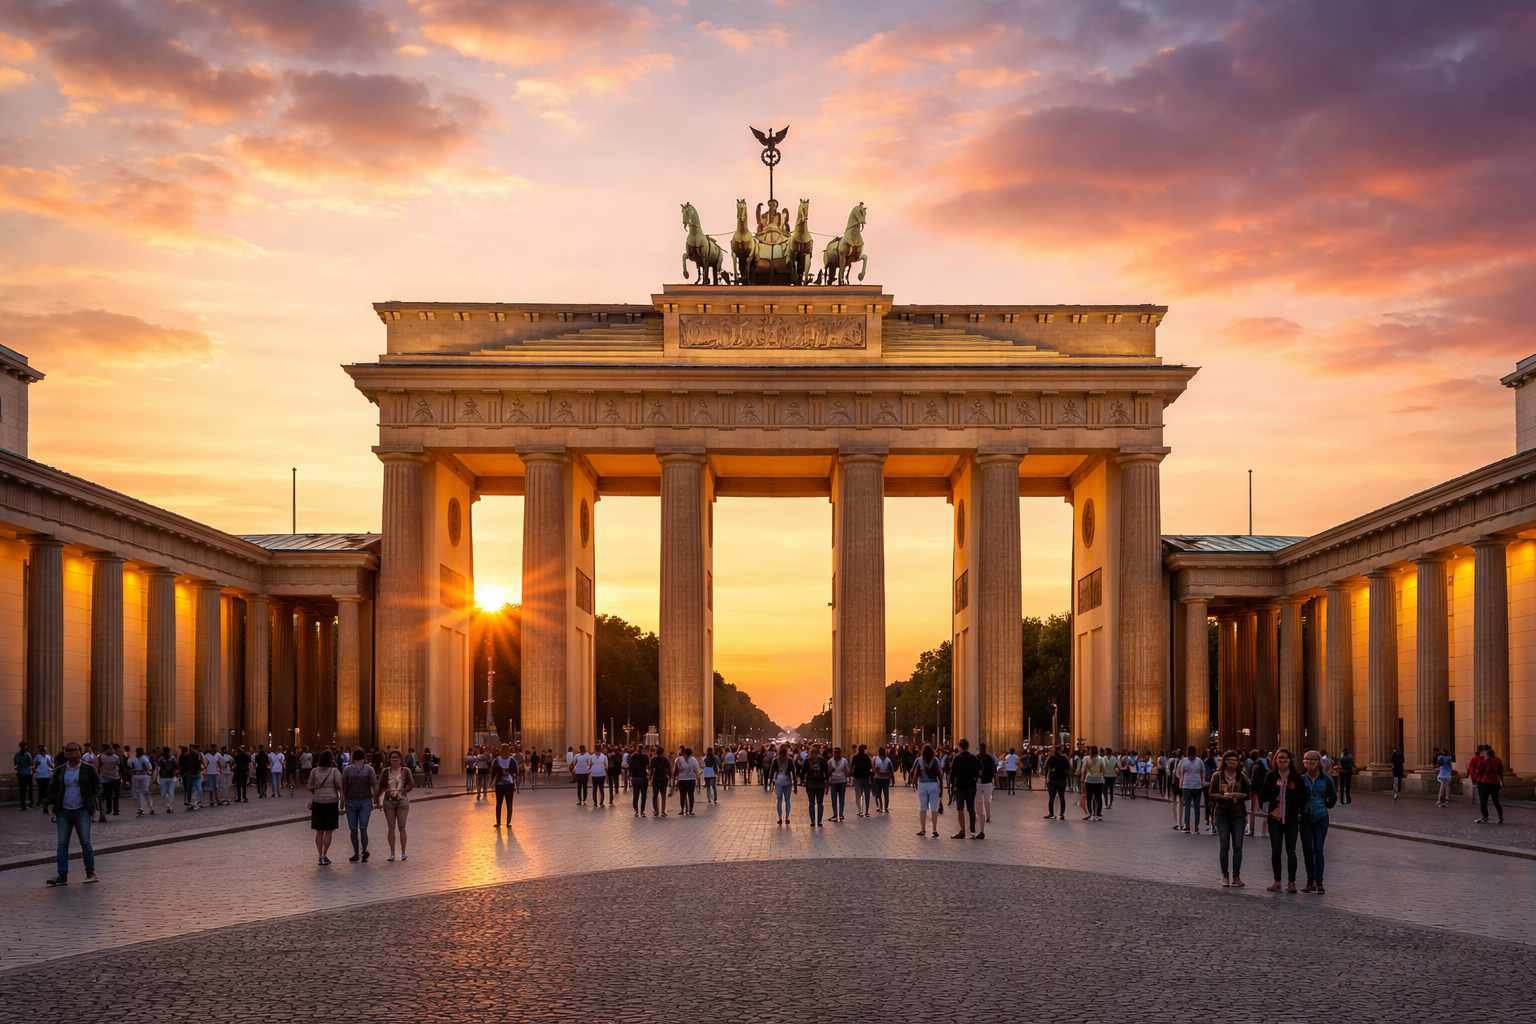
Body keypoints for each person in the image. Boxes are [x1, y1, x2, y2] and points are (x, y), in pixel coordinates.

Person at [45, 742, 99, 886]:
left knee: (86, 842)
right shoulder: (60, 770)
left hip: (82, 810)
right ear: (65, 753)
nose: (71, 753)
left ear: (80, 752)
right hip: (63, 810)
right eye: (68, 751)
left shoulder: (88, 769)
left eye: (74, 750)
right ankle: (62, 876)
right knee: (62, 844)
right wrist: (50, 805)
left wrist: (93, 804)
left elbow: (97, 787)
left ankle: (90, 873)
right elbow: (53, 789)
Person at [1259, 748, 1305, 893]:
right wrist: (1270, 810)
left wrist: (1295, 805)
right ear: (1275, 761)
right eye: (1280, 758)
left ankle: (1291, 882)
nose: (1283, 760)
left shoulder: (1296, 777)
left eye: (1285, 758)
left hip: (1291, 819)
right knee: (1276, 850)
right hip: (1275, 820)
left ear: (1290, 760)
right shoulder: (1270, 776)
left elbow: (1303, 797)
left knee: (1291, 851)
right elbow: (1263, 796)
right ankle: (1277, 881)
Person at [1208, 749, 1251, 888]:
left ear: (1238, 762)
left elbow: (1248, 794)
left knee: (1238, 846)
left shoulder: (1242, 776)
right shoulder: (1217, 776)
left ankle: (1236, 876)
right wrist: (1222, 796)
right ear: (1224, 761)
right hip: (1222, 814)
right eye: (1229, 760)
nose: (1232, 763)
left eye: (1234, 760)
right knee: (1224, 845)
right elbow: (1211, 794)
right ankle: (1225, 875)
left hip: (1238, 814)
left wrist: (1240, 795)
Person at [1299, 750, 1337, 894]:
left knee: (1319, 849)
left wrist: (1327, 804)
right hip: (1305, 818)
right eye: (1307, 761)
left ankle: (1319, 882)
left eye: (1313, 761)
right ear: (1304, 763)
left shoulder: (1326, 779)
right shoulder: (1301, 779)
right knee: (1308, 849)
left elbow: (1332, 797)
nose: (1310, 764)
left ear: (1318, 763)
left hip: (1321, 817)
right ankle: (1310, 881)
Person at [342, 747, 378, 863]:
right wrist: (375, 798)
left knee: (354, 829)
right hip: (364, 801)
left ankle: (358, 852)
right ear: (364, 757)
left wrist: (342, 800)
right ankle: (362, 851)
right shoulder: (369, 769)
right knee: (362, 828)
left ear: (353, 757)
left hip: (353, 801)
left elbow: (344, 786)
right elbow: (374, 784)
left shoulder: (348, 769)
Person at [307, 750, 342, 866]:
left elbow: (309, 786)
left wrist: (316, 790)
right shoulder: (334, 771)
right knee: (329, 830)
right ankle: (324, 855)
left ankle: (319, 855)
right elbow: (340, 786)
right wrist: (342, 800)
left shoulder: (314, 771)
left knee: (319, 831)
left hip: (318, 802)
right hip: (331, 803)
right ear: (331, 759)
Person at [379, 749, 413, 861]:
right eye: (392, 757)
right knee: (391, 827)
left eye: (396, 757)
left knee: (402, 827)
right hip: (389, 801)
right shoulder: (385, 771)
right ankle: (392, 853)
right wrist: (377, 799)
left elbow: (411, 784)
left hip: (402, 801)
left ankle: (403, 852)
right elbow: (381, 786)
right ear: (389, 759)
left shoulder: (405, 771)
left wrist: (404, 790)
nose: (394, 759)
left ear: (400, 759)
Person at [1469, 744, 1505, 825]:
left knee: (1483, 801)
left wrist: (1474, 780)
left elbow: (1479, 771)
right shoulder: (1498, 760)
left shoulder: (1483, 761)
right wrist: (1502, 782)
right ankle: (1500, 817)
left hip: (1483, 782)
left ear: (1486, 752)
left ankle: (1485, 817)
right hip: (1495, 782)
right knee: (1496, 800)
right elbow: (1500, 772)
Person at [914, 744, 943, 838]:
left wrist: (915, 785)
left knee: (923, 808)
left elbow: (914, 775)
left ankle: (923, 830)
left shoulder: (919, 760)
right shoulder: (935, 760)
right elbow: (940, 775)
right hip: (934, 785)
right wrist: (941, 788)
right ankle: (934, 830)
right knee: (934, 808)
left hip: (922, 785)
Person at [1176, 745, 1206, 835]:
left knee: (1187, 807)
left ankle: (1187, 827)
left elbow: (1179, 773)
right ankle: (1196, 828)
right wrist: (1202, 782)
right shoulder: (1199, 761)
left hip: (1186, 786)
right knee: (1196, 807)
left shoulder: (1183, 761)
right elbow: (1203, 772)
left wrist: (1181, 783)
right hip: (1197, 786)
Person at [801, 744, 828, 828]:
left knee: (811, 803)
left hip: (810, 784)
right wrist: (826, 783)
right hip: (820, 784)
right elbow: (826, 772)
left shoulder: (807, 760)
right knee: (820, 803)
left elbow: (803, 772)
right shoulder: (822, 760)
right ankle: (819, 821)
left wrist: (803, 781)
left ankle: (812, 821)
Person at [1079, 745, 1106, 821]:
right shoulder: (1101, 759)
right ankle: (1098, 815)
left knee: (1089, 798)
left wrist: (1082, 779)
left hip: (1089, 780)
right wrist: (1100, 775)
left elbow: (1083, 770)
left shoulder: (1086, 758)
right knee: (1098, 797)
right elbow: (1103, 769)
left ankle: (1091, 814)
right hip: (1099, 780)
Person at [1043, 745, 1070, 820]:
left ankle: (1051, 814)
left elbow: (1045, 766)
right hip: (1062, 780)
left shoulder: (1051, 758)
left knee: (1052, 797)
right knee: (1062, 797)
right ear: (1060, 751)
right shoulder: (1064, 758)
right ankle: (1061, 814)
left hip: (1053, 780)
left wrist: (1049, 757)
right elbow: (1069, 768)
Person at [771, 746, 796, 826]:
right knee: (787, 800)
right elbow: (794, 773)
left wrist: (770, 783)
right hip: (788, 782)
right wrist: (795, 785)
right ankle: (787, 818)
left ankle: (780, 818)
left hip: (778, 781)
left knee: (779, 800)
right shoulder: (790, 760)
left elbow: (771, 772)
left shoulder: (775, 760)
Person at [95, 744, 120, 822]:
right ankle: (110, 809)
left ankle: (114, 809)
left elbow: (119, 766)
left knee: (114, 794)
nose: (111, 750)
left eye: (112, 749)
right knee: (109, 795)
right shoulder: (102, 757)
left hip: (113, 778)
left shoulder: (115, 757)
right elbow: (98, 767)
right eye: (110, 749)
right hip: (107, 778)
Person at [975, 742, 997, 833]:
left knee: (987, 801)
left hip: (987, 782)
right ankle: (980, 815)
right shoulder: (976, 758)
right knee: (979, 801)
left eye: (982, 749)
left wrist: (988, 776)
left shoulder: (989, 758)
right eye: (980, 749)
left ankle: (988, 816)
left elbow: (993, 770)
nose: (981, 750)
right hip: (980, 782)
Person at [127, 746, 153, 816]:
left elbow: (149, 769)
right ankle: (140, 808)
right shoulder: (132, 759)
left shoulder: (145, 759)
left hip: (144, 776)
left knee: (145, 791)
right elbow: (129, 768)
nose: (139, 753)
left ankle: (150, 807)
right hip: (136, 776)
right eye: (138, 751)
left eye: (141, 751)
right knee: (137, 792)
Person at [674, 746, 700, 815]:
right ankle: (690, 810)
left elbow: (676, 771)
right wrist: (698, 783)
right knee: (691, 795)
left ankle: (682, 810)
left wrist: (675, 781)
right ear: (691, 753)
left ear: (684, 753)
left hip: (682, 780)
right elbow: (697, 771)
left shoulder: (679, 759)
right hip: (691, 780)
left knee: (682, 795)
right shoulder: (694, 760)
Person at [827, 747, 850, 823]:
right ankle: (835, 814)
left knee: (841, 798)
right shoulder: (830, 761)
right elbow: (827, 773)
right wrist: (831, 771)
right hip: (833, 782)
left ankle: (840, 814)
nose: (836, 754)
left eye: (838, 752)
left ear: (840, 753)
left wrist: (845, 771)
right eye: (835, 752)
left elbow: (848, 773)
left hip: (842, 781)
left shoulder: (844, 761)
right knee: (833, 799)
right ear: (833, 753)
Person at [851, 744, 872, 817]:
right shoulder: (867, 757)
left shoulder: (855, 757)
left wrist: (851, 775)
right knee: (867, 795)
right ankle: (866, 811)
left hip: (857, 778)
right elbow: (870, 767)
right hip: (866, 778)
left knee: (858, 795)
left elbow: (852, 766)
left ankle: (860, 811)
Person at [33, 745, 54, 819]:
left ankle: (44, 803)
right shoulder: (37, 757)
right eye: (43, 750)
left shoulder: (49, 757)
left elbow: (52, 765)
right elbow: (34, 765)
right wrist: (36, 766)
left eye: (45, 750)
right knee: (41, 789)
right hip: (40, 776)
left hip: (47, 775)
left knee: (46, 790)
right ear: (41, 751)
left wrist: (50, 764)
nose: (44, 751)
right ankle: (40, 801)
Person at [649, 746, 671, 817]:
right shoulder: (665, 759)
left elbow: (651, 770)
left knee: (655, 796)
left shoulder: (653, 759)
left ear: (656, 752)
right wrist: (670, 777)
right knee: (663, 795)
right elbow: (669, 769)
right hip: (664, 779)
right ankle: (663, 811)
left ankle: (656, 811)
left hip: (655, 779)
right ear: (663, 752)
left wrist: (649, 778)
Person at [629, 746, 650, 817]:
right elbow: (647, 766)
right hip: (643, 778)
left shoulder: (633, 756)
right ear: (642, 749)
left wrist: (630, 776)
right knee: (643, 795)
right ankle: (642, 811)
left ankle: (636, 811)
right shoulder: (645, 757)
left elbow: (630, 767)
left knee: (636, 795)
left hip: (635, 778)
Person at [871, 746, 892, 814]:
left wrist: (881, 772)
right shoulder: (875, 759)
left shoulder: (888, 760)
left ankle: (885, 807)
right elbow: (873, 770)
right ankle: (881, 807)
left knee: (886, 794)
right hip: (878, 779)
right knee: (878, 794)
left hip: (885, 779)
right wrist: (876, 771)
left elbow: (890, 770)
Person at [15, 740, 34, 811]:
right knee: (23, 790)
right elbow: (17, 764)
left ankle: (30, 803)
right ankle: (23, 805)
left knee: (29, 789)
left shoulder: (27, 754)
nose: (24, 747)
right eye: (23, 746)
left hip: (27, 773)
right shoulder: (19, 755)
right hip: (23, 774)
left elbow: (30, 763)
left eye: (25, 746)